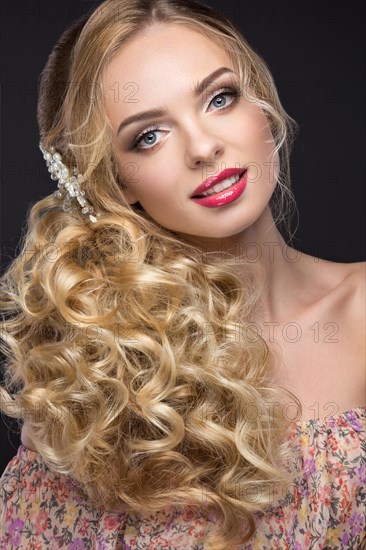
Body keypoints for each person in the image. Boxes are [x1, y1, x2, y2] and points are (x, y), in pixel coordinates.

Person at [0, 0, 364, 548]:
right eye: (149, 135)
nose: (203, 148)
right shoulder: (95, 385)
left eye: (220, 98)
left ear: (260, 103)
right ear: (115, 182)